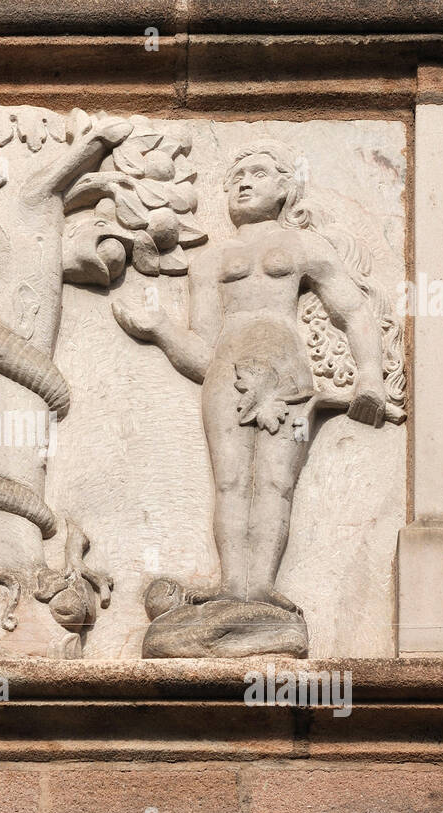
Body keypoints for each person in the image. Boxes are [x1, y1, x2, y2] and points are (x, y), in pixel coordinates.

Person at [114, 138, 389, 616]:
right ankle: (231, 586)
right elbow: (202, 352)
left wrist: (370, 377)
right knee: (231, 482)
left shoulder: (305, 245)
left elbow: (354, 309)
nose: (243, 182)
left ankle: (260, 587)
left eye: (259, 173)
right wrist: (158, 329)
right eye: (236, 177)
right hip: (227, 373)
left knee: (277, 482)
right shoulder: (209, 261)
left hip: (289, 375)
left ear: (286, 187)